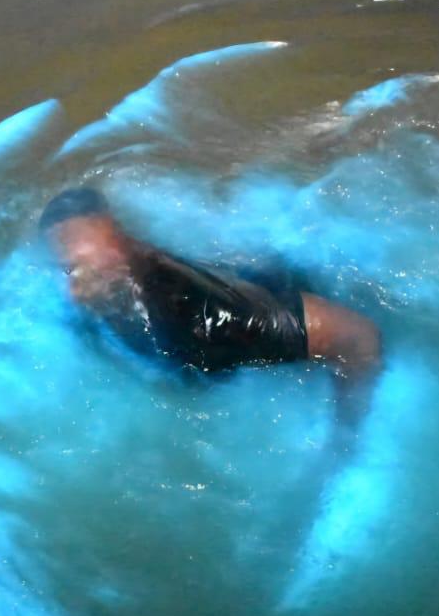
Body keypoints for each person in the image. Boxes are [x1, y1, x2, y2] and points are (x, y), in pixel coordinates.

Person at [39, 187, 382, 439]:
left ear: (121, 251)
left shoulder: (207, 316)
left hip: (285, 295)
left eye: (77, 271)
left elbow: (358, 337)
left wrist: (345, 438)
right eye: (64, 271)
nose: (71, 293)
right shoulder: (97, 301)